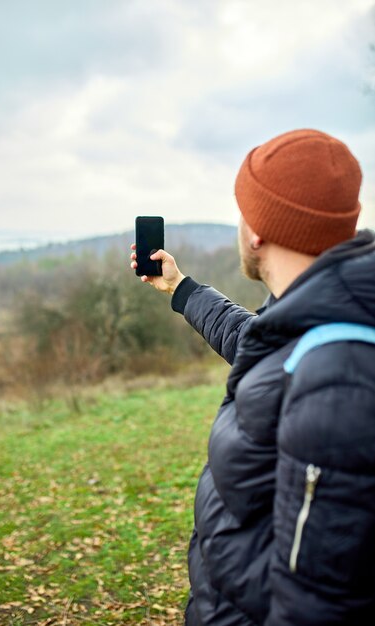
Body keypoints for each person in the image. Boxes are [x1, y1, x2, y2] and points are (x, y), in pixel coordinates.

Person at [130, 129, 375, 625]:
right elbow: (256, 341)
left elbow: (318, 602)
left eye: (244, 209)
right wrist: (181, 289)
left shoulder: (338, 384)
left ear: (259, 229)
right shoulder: (320, 318)